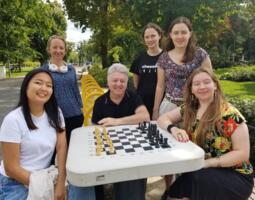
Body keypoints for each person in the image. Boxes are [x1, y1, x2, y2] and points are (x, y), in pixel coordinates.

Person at [157, 67, 254, 200]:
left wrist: (209, 163)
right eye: (196, 84)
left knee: (191, 185)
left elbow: (242, 153)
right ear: (191, 89)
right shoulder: (190, 108)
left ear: (215, 85)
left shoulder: (229, 115)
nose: (202, 86)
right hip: (202, 170)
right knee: (173, 193)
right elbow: (162, 119)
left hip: (235, 175)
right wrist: (174, 129)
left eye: (207, 82)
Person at [0, 68, 67, 200]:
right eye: (38, 83)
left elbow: (62, 146)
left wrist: (60, 181)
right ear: (26, 86)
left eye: (49, 85)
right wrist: (45, 186)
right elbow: (11, 168)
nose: (44, 88)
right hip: (15, 182)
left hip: (43, 175)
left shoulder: (56, 113)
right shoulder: (13, 120)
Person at [92, 63, 150, 200]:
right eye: (115, 80)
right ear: (108, 81)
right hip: (110, 148)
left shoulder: (133, 96)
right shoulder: (100, 102)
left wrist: (116, 121)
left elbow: (145, 117)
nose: (119, 84)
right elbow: (94, 128)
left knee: (136, 174)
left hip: (133, 146)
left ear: (126, 82)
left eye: (122, 81)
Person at [152, 16, 212, 120]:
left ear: (190, 34)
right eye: (176, 33)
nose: (180, 36)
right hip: (169, 107)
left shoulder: (201, 55)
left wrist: (212, 106)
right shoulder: (163, 58)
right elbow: (160, 86)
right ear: (170, 35)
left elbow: (210, 82)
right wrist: (155, 110)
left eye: (184, 32)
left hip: (195, 107)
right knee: (166, 136)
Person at [42, 35, 83, 146]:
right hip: (53, 117)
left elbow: (75, 89)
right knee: (57, 149)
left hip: (75, 115)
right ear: (48, 49)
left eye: (61, 48)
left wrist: (80, 108)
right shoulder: (43, 71)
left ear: (65, 50)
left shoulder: (70, 69)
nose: (58, 50)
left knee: (75, 148)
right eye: (55, 47)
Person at [130, 22, 163, 118]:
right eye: (147, 37)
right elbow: (136, 82)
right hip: (142, 103)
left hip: (161, 103)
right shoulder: (139, 58)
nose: (150, 39)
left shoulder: (166, 57)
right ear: (144, 40)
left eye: (153, 36)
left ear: (159, 36)